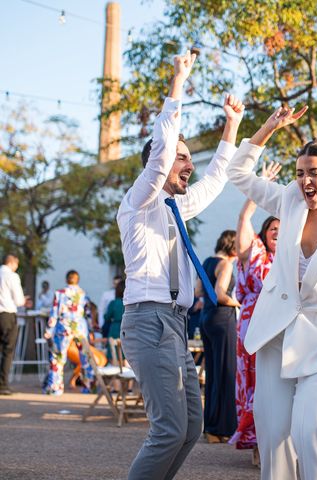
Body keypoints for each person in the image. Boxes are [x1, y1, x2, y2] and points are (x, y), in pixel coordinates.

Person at [226, 106, 317, 480]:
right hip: (275, 334)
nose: (305, 181)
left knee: (310, 435)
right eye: (299, 173)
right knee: (274, 438)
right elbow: (238, 173)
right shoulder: (289, 199)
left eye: (314, 173)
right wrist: (269, 128)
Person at [117, 51, 244, 479]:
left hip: (175, 323)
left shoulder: (175, 209)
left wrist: (233, 125)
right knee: (168, 430)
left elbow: (215, 180)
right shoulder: (139, 202)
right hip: (148, 320)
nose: (190, 164)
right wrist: (178, 83)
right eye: (183, 157)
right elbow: (161, 153)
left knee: (190, 428)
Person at [229, 162, 281, 465]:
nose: (278, 232)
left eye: (282, 229)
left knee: (279, 387)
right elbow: (243, 217)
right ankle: (257, 444)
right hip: (253, 329)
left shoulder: (291, 257)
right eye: (273, 228)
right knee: (256, 387)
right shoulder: (255, 254)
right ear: (264, 233)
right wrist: (258, 186)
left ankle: (277, 443)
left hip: (282, 330)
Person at [200, 230, 241, 443]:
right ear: (233, 247)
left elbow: (199, 290)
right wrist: (240, 303)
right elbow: (219, 294)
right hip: (223, 318)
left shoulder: (207, 261)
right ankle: (223, 428)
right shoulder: (225, 264)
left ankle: (211, 427)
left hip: (206, 318)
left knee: (214, 373)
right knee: (227, 372)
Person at [42, 270, 94, 395]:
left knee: (58, 357)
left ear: (66, 280)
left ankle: (56, 388)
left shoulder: (60, 293)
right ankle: (89, 386)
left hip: (64, 326)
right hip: (80, 327)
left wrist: (49, 330)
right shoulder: (83, 294)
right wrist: (91, 330)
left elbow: (54, 312)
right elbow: (88, 314)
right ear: (78, 280)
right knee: (85, 357)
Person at [0, 254, 30, 396]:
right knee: (8, 350)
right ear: (12, 263)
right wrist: (24, 300)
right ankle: (3, 384)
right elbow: (18, 300)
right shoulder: (12, 276)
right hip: (7, 315)